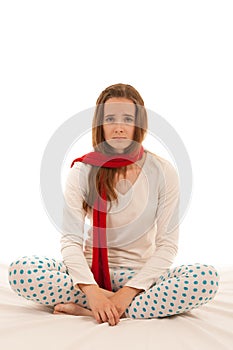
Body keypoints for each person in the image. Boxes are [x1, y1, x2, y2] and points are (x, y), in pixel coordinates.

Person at [8, 83, 220, 327]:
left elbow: (167, 245)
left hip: (141, 278)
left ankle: (91, 311)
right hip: (88, 275)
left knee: (206, 278)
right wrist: (92, 291)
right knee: (21, 270)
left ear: (138, 125)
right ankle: (109, 306)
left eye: (127, 119)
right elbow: (70, 240)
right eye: (110, 118)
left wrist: (127, 293)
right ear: (100, 125)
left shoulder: (162, 171)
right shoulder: (83, 170)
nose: (119, 127)